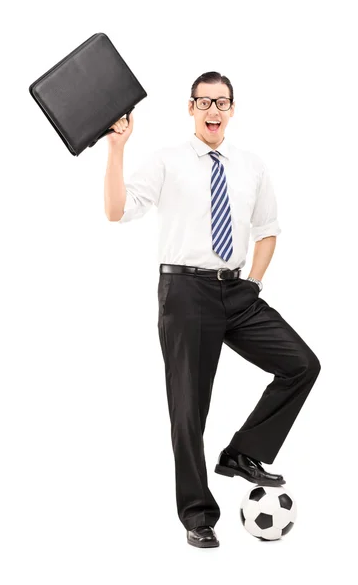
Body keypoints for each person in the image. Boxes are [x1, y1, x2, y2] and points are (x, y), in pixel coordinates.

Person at [104, 72, 321, 548]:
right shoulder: (167, 161)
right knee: (189, 409)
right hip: (185, 295)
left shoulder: (251, 166)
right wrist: (117, 148)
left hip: (237, 293)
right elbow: (117, 210)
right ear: (190, 109)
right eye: (204, 102)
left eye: (221, 102)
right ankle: (198, 516)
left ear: (233, 109)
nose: (213, 111)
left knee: (302, 365)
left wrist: (253, 284)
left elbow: (267, 231)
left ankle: (243, 453)